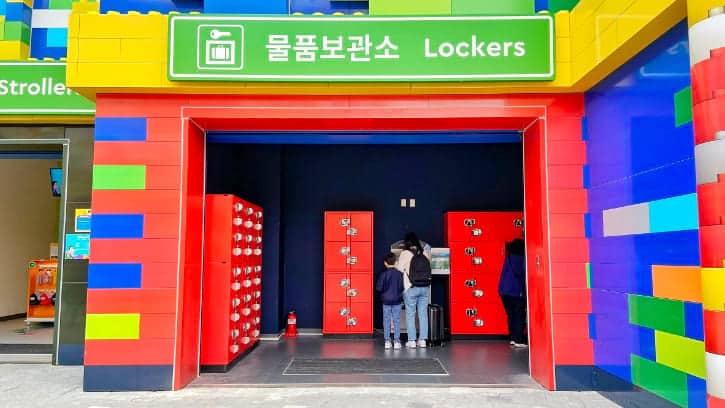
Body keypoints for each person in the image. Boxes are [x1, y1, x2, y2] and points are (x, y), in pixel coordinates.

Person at [396, 232, 432, 348]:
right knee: (423, 314)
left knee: (410, 314)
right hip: (425, 287)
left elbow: (399, 270)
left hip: (411, 288)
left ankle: (411, 340)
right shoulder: (425, 252)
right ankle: (422, 340)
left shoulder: (405, 253)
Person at [499, 235, 527, 348]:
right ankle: (519, 339)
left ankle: (513, 338)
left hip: (503, 291)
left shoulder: (508, 258)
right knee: (519, 314)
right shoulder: (521, 259)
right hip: (515, 291)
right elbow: (523, 275)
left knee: (511, 315)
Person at [376, 252, 404, 350]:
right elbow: (402, 287)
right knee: (396, 320)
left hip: (386, 301)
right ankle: (396, 341)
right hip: (397, 300)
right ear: (396, 262)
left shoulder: (383, 275)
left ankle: (387, 341)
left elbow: (379, 288)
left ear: (385, 263)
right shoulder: (400, 274)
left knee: (386, 320)